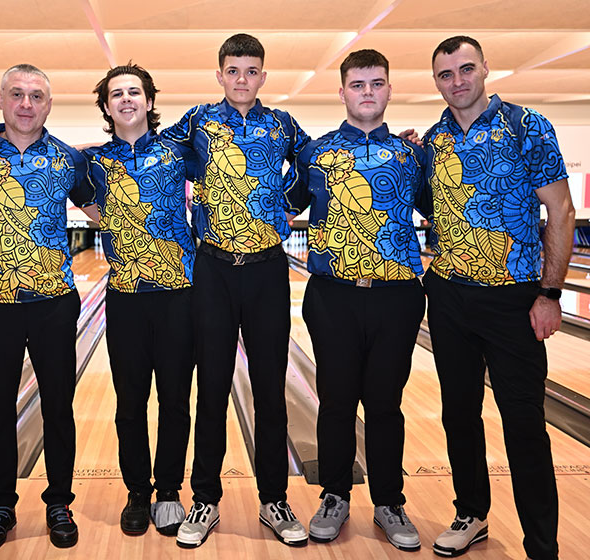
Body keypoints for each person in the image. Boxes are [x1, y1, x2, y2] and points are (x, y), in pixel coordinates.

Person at [423, 36, 574, 559]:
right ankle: (471, 513)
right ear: (436, 81)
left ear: (486, 68)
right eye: (446, 74)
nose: (457, 81)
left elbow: (561, 211)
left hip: (513, 299)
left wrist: (549, 293)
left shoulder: (527, 126)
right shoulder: (434, 140)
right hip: (448, 296)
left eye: (466, 69)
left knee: (523, 421)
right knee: (458, 414)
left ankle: (542, 544)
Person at [160, 33, 310, 548]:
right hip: (213, 270)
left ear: (263, 76)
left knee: (270, 390)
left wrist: (286, 202)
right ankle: (205, 498)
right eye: (233, 70)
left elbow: (321, 163)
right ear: (220, 74)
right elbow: (154, 151)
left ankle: (274, 499)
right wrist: (92, 153)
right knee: (212, 388)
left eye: (251, 71)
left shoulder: (282, 123)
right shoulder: (198, 121)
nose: (242, 79)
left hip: (267, 269)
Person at [0, 64, 94, 551]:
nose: (26, 104)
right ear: (0, 99)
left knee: (59, 407)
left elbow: (103, 212)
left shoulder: (69, 159)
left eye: (36, 96)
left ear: (48, 104)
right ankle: (0, 506)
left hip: (54, 304)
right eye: (17, 94)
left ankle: (59, 503)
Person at [287, 49, 427, 552]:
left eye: (377, 83)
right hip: (334, 297)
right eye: (358, 84)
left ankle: (389, 502)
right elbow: (279, 206)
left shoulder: (415, 156)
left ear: (389, 89)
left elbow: (444, 209)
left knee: (386, 404)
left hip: (397, 297)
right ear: (342, 91)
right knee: (337, 402)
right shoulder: (315, 154)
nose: (367, 92)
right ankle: (334, 495)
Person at [82, 63, 196, 537]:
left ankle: (168, 490)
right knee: (130, 403)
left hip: (178, 295)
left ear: (149, 101)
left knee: (175, 400)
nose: (126, 99)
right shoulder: (92, 162)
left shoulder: (180, 151)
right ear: (107, 107)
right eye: (117, 94)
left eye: (134, 92)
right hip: (126, 298)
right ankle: (136, 491)